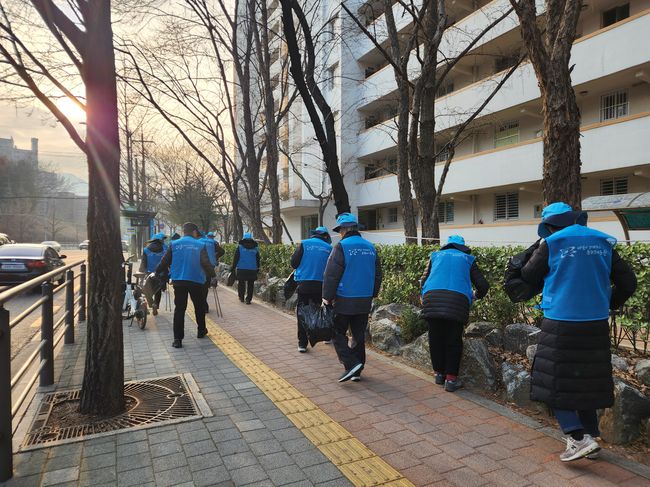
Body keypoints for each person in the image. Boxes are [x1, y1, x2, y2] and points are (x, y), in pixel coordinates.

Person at [519, 202, 637, 462]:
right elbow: (629, 282)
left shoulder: (552, 243)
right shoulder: (603, 242)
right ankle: (591, 435)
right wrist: (608, 302)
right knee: (585, 378)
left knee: (552, 380)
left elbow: (528, 275)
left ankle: (577, 438)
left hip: (560, 321)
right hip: (595, 322)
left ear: (550, 225)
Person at [420, 235, 489, 392]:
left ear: (447, 245)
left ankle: (439, 375)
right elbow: (483, 285)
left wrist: (423, 296)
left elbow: (423, 280)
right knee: (453, 340)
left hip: (432, 298)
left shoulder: (435, 256)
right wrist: (474, 296)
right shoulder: (468, 259)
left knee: (435, 338)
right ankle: (451, 380)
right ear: (463, 247)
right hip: (457, 301)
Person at [323, 213, 382, 382]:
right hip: (365, 298)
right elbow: (378, 274)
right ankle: (357, 371)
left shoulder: (341, 247)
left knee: (336, 332)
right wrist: (373, 293)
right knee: (358, 334)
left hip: (344, 298)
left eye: (340, 230)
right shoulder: (371, 247)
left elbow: (331, 275)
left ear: (343, 229)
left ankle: (351, 364)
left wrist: (327, 296)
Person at [156, 222, 215, 348]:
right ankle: (201, 330)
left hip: (179, 281)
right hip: (196, 280)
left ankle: (177, 339)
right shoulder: (200, 245)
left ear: (183, 231)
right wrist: (213, 276)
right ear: (194, 231)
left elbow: (165, 261)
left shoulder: (174, 244)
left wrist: (157, 271)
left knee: (180, 309)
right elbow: (206, 263)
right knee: (199, 306)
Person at [291, 226, 332, 353]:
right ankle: (326, 336)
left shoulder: (304, 244)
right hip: (321, 285)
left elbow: (294, 263)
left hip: (304, 284)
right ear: (326, 236)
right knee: (322, 312)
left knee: (302, 313)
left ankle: (302, 344)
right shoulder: (329, 248)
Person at [140, 232, 168, 315]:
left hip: (149, 273)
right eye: (163, 239)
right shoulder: (165, 249)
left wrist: (141, 271)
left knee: (147, 289)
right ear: (160, 240)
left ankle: (152, 303)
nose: (163, 241)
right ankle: (156, 304)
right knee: (158, 290)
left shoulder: (146, 249)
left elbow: (143, 263)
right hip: (161, 274)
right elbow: (167, 262)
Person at [232, 232, 260, 304]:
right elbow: (258, 259)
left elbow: (236, 258)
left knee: (241, 283)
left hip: (241, 268)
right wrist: (258, 268)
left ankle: (241, 297)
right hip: (252, 269)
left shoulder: (240, 247)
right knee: (251, 284)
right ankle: (248, 299)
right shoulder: (256, 248)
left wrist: (233, 267)